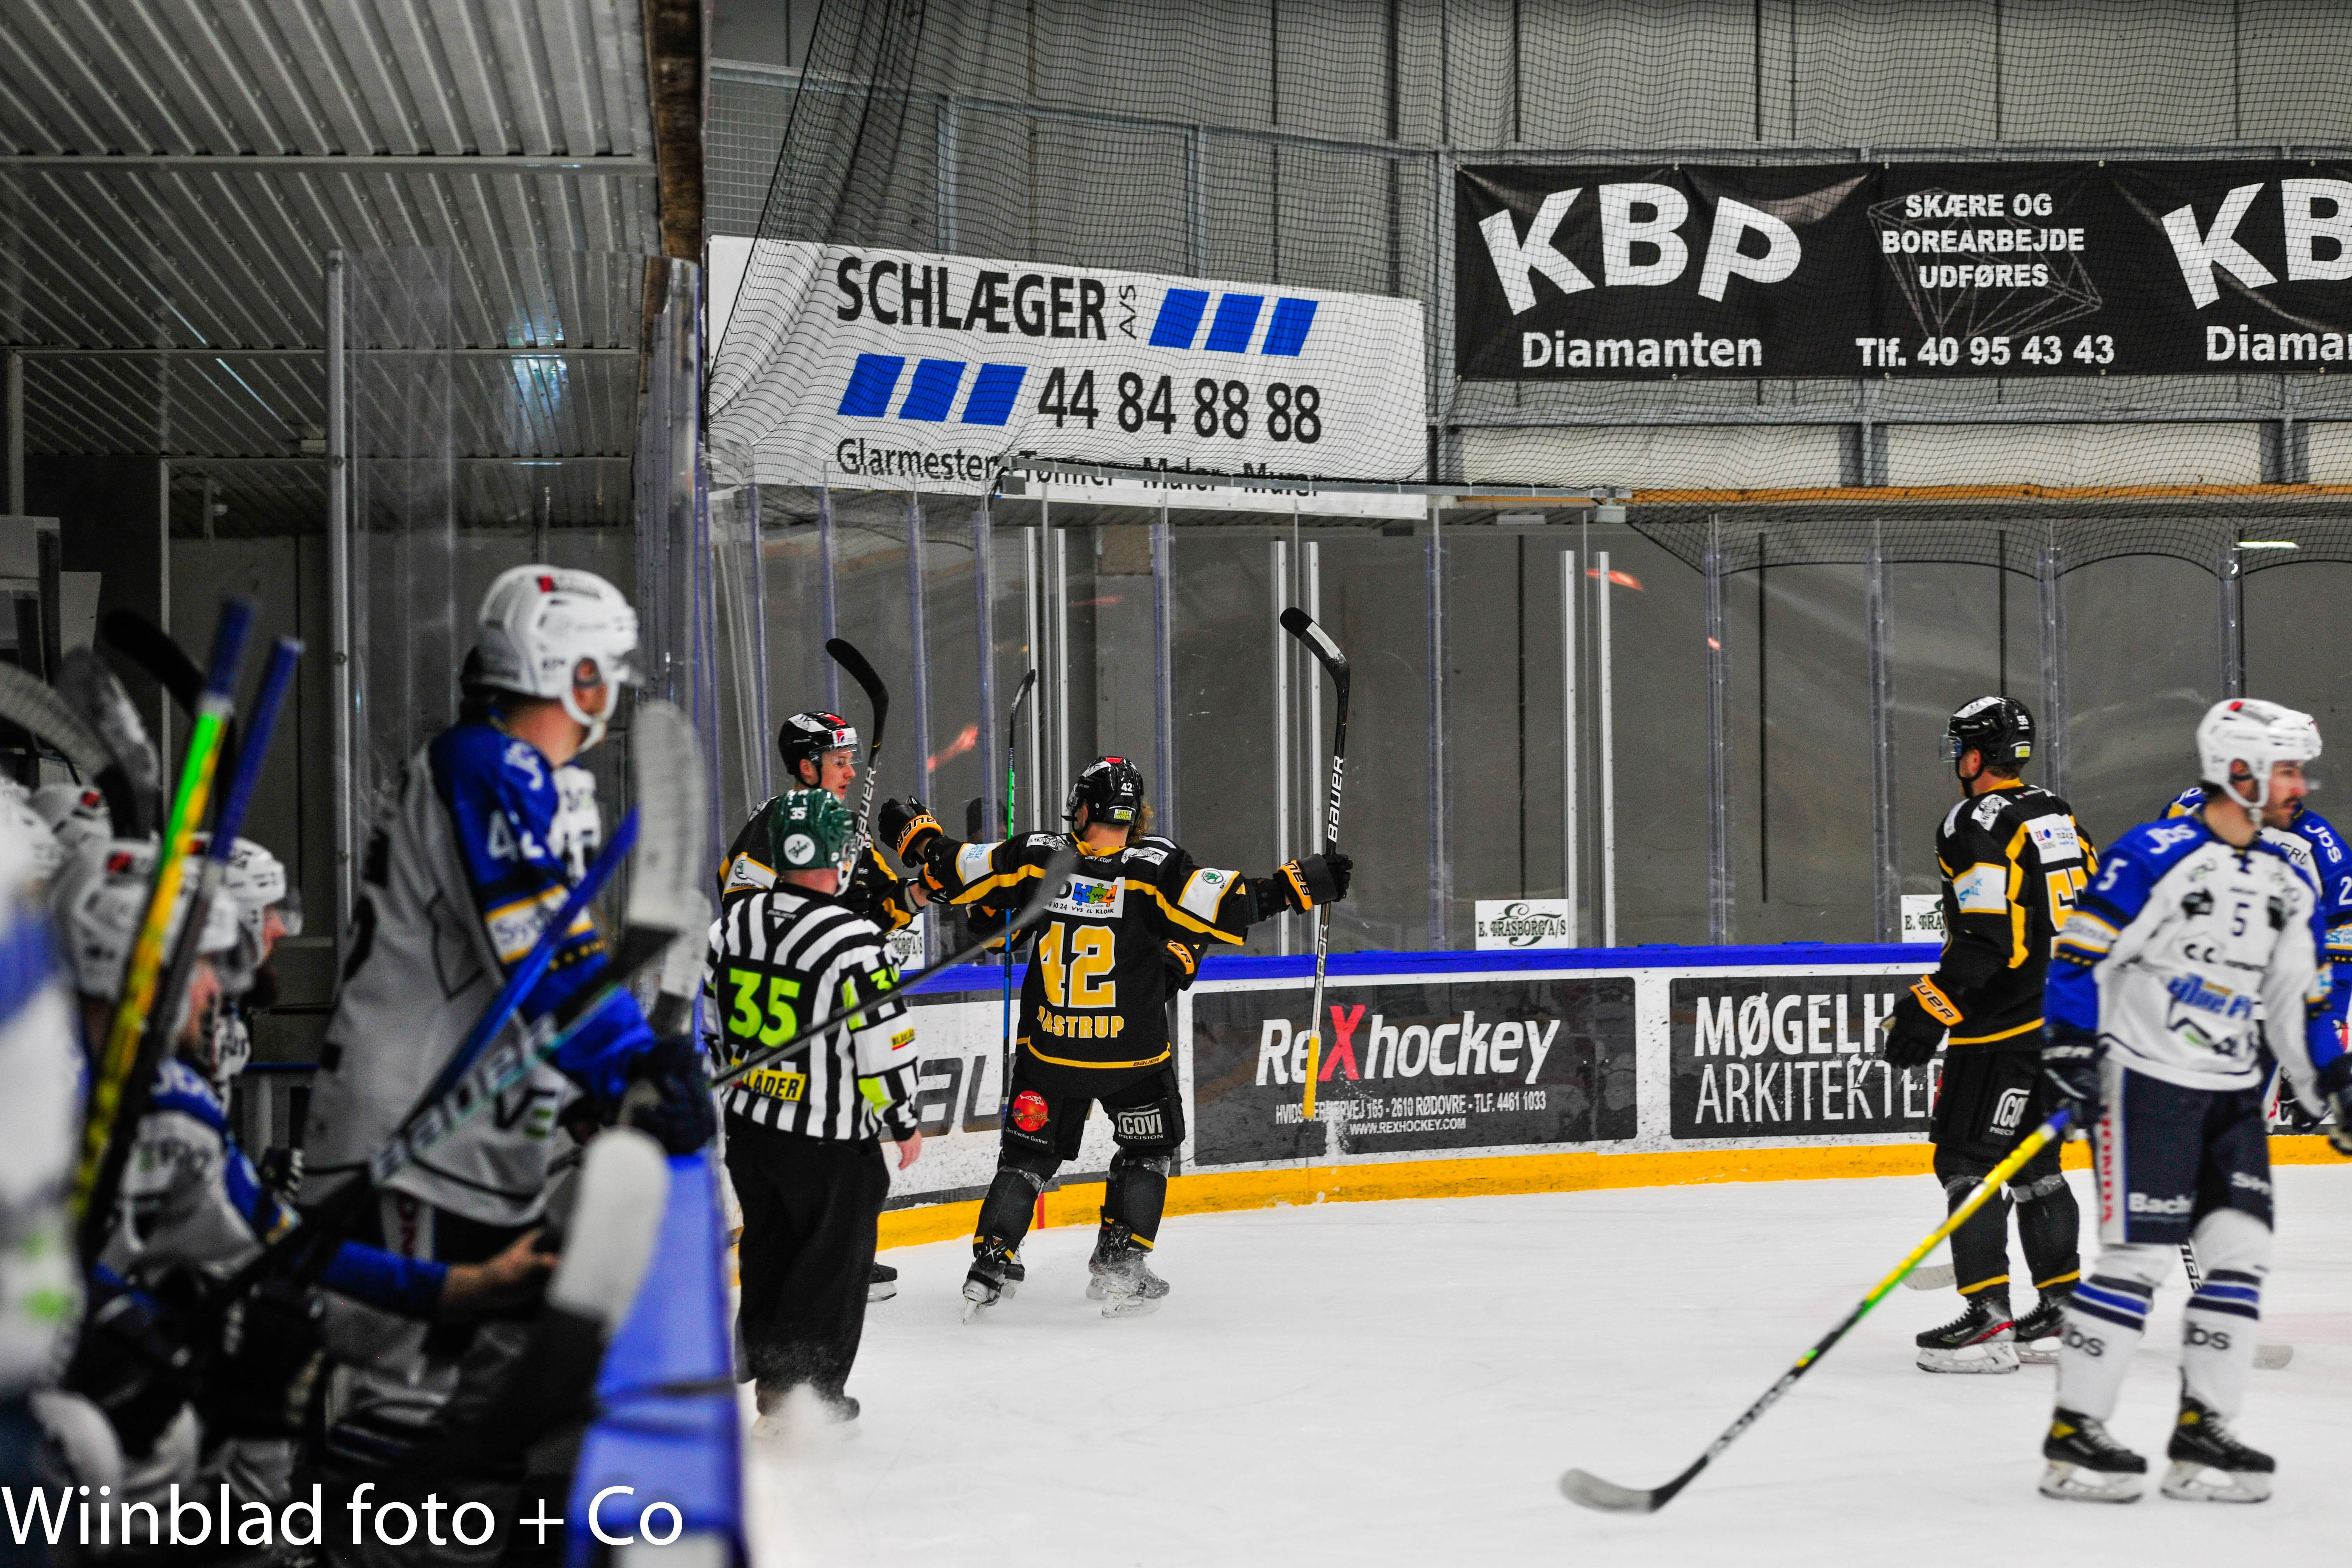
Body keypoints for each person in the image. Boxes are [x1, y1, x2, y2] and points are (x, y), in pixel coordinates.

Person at [298, 566, 712, 1525]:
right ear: (571, 673)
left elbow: (517, 988)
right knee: (407, 1399)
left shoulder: (525, 778)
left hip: (470, 1148)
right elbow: (541, 955)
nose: (615, 691)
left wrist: (591, 1099)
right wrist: (631, 1061)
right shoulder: (486, 764)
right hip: (412, 1148)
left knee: (492, 1402)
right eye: (607, 669)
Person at [54, 839, 549, 1522]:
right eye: (198, 966)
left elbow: (284, 1252)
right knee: (98, 1432)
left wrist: (466, 1287)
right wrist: (104, 1322)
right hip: (32, 1374)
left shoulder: (175, 1107)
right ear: (128, 964)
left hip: (68, 1374)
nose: (217, 988)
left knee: (268, 1331)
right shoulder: (30, 1091)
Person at [880, 755, 1351, 1318]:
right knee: (1148, 1149)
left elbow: (957, 868)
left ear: (1083, 808)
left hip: (1051, 1050)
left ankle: (991, 1262)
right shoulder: (1157, 866)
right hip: (1131, 1057)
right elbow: (1235, 901)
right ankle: (1120, 1264)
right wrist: (1305, 883)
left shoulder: (1039, 855)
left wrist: (920, 837)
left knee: (1027, 1156)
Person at [2035, 699, 2352, 1503]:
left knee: (2240, 1256)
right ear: (2239, 772)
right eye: (2286, 770)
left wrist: (2332, 1085)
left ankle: (2203, 1430)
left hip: (2232, 1100)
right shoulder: (2152, 855)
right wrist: (2071, 1048)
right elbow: (2080, 957)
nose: (2299, 786)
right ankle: (2076, 1433)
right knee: (2138, 1261)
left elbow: (2299, 1004)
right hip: (2146, 1087)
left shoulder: (2289, 878)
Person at [1881, 697, 2094, 1372]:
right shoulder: (2054, 811)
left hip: (2006, 1026)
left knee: (1966, 1162)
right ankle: (2061, 1310)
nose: (1957, 761)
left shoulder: (1973, 822)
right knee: (2035, 1167)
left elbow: (1985, 937)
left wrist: (1927, 1009)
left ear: (1976, 756)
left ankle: (1988, 1321)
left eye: (1960, 749)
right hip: (2066, 1019)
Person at [704, 788, 920, 1426]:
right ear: (835, 856)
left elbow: (711, 1023)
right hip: (830, 1143)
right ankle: (807, 1398)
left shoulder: (731, 924)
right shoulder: (853, 939)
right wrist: (902, 1118)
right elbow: (883, 1042)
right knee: (831, 1267)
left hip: (750, 1130)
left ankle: (769, 1373)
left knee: (769, 1248)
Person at [719, 708, 923, 1302]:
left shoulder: (844, 830)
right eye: (838, 760)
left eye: (851, 760)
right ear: (807, 766)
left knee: (837, 1146)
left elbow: (885, 903)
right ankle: (816, 1277)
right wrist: (826, 921)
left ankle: (836, 1263)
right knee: (809, 1146)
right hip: (788, 1008)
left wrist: (922, 890)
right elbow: (741, 904)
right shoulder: (776, 822)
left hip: (827, 1007)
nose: (850, 771)